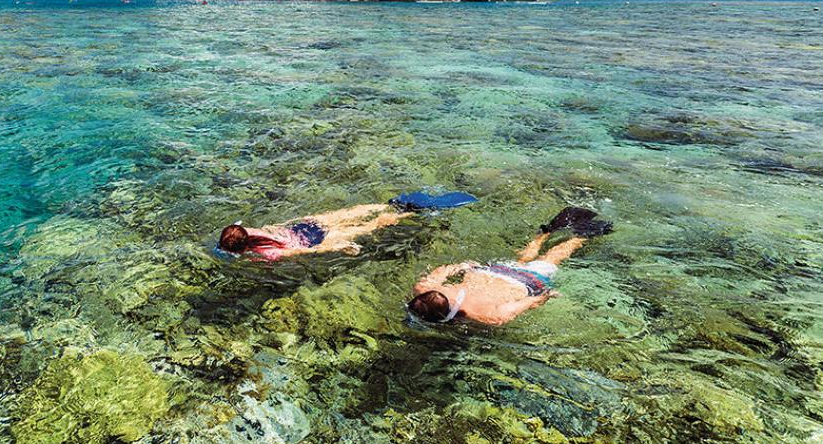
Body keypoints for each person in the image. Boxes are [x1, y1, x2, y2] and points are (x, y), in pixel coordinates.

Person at [407, 207, 613, 326]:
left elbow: (526, 303)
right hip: (490, 270)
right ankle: (544, 233)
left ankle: (580, 237)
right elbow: (441, 271)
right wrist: (462, 266)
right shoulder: (425, 289)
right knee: (523, 259)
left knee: (553, 258)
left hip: (525, 281)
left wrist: (546, 296)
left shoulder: (488, 316)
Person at [217, 191, 476, 261]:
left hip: (312, 240)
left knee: (372, 227)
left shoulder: (266, 254)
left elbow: (303, 252)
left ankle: (409, 214)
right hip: (306, 225)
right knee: (354, 212)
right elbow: (277, 225)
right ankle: (393, 204)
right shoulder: (246, 229)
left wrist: (337, 247)